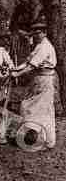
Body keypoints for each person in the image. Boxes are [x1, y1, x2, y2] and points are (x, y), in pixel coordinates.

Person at [10, 22, 57, 150]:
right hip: (37, 80)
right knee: (31, 108)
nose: (36, 35)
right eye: (34, 33)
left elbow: (32, 66)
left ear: (45, 33)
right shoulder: (38, 46)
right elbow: (27, 62)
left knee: (39, 110)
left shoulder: (45, 47)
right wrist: (15, 69)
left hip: (44, 80)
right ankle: (40, 139)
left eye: (39, 33)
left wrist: (17, 75)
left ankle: (44, 141)